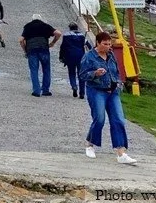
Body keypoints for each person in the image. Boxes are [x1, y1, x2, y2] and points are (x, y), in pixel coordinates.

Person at [80, 32, 137, 164]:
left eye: (109, 44)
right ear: (98, 43)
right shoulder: (89, 57)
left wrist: (118, 82)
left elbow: (116, 71)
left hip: (113, 92)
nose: (108, 46)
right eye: (105, 44)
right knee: (99, 119)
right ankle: (90, 144)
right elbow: (82, 75)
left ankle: (121, 153)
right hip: (96, 91)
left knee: (118, 120)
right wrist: (95, 73)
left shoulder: (111, 55)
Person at [20, 14, 61, 97]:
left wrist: (25, 51)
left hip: (32, 50)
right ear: (41, 19)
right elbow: (58, 33)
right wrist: (53, 42)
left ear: (32, 19)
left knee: (34, 70)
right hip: (44, 49)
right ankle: (45, 90)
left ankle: (36, 91)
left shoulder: (28, 26)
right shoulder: (45, 26)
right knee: (46, 70)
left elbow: (21, 40)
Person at [59, 23, 90, 99]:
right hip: (81, 56)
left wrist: (61, 57)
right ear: (77, 28)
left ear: (70, 28)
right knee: (81, 74)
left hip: (70, 56)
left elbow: (63, 47)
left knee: (72, 73)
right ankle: (82, 93)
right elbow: (89, 45)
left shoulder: (66, 35)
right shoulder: (82, 35)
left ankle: (74, 86)